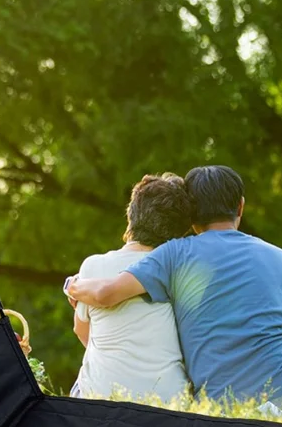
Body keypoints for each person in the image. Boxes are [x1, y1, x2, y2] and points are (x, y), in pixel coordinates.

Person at [66, 165, 282, 414]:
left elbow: (108, 293)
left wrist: (74, 285)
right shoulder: (280, 257)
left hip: (217, 404)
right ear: (240, 207)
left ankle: (261, 413)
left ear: (191, 217)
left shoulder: (174, 254)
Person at [69, 172, 192, 404]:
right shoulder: (181, 269)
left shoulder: (93, 266)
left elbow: (81, 330)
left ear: (131, 215)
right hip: (170, 401)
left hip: (102, 398)